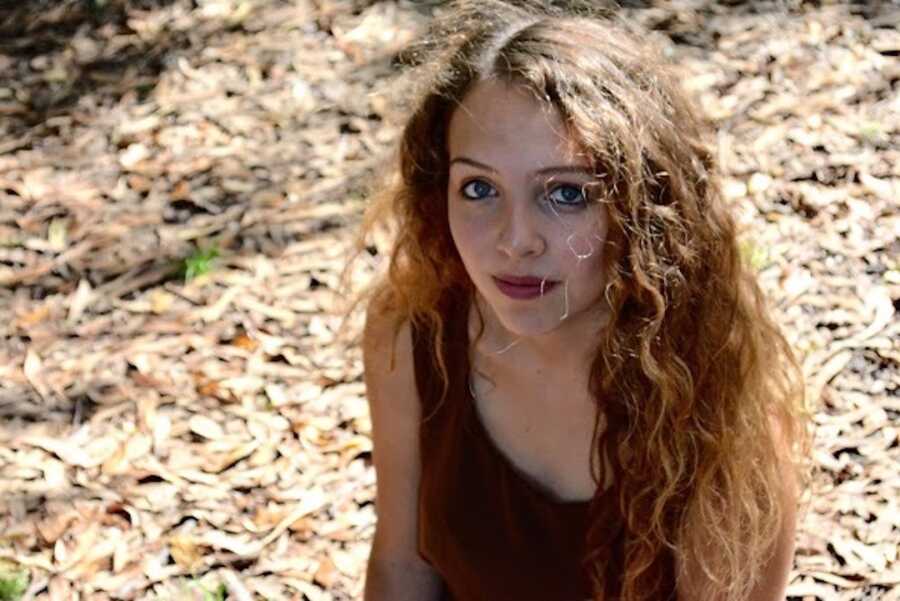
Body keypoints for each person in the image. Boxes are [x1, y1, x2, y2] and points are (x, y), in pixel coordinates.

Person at [339, 2, 814, 600]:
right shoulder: (416, 334)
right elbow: (401, 568)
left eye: (565, 193)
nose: (516, 241)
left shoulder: (713, 402)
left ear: (642, 209)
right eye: (479, 188)